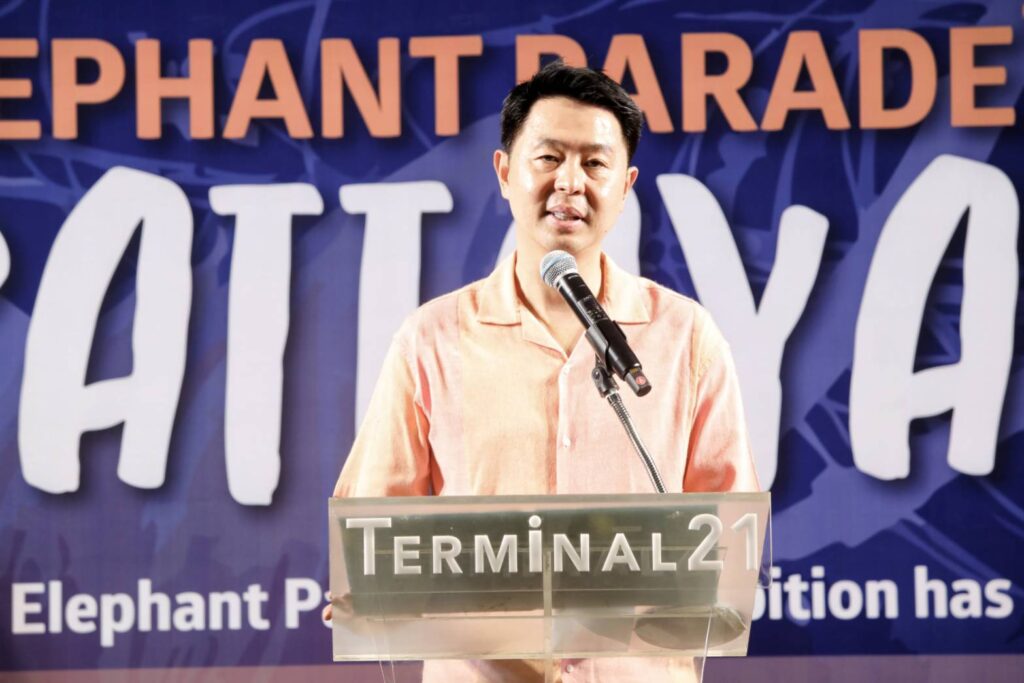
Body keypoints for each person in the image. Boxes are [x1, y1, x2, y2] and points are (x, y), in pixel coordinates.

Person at [327, 61, 760, 682]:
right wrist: (365, 590)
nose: (570, 183)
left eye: (594, 163)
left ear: (626, 186)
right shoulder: (432, 339)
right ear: (505, 172)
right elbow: (372, 535)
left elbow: (731, 543)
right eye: (549, 157)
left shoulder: (686, 337)